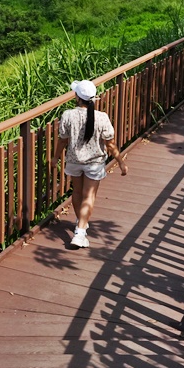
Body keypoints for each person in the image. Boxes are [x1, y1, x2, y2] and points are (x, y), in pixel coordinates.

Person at [49, 79, 128, 248]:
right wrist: (120, 162)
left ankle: (81, 224)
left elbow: (62, 141)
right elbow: (110, 144)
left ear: (77, 97)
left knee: (77, 193)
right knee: (89, 196)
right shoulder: (101, 117)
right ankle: (80, 231)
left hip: (74, 161)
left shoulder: (67, 115)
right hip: (94, 163)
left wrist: (55, 158)